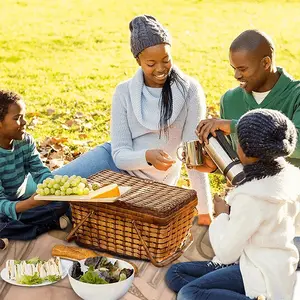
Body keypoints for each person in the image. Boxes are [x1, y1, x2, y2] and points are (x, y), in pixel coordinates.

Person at [52, 15, 213, 225]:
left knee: (88, 214)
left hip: (148, 185)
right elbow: (119, 155)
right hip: (113, 163)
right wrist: (146, 156)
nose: (161, 68)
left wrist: (204, 211)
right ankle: (12, 213)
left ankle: (60, 218)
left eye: (166, 60)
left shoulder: (190, 91)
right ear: (138, 60)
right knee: (49, 188)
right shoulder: (124, 92)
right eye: (151, 63)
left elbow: (193, 157)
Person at [165, 109, 300, 300]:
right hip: (272, 265)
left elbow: (226, 253)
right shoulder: (291, 178)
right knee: (175, 274)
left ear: (244, 151)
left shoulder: (251, 197)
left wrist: (222, 215)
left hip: (259, 274)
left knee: (189, 293)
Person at [0, 90, 70, 241]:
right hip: (5, 208)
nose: (24, 122)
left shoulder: (25, 141)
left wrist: (53, 189)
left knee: (64, 203)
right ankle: (43, 226)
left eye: (23, 116)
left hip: (21, 202)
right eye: (17, 118)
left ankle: (22, 229)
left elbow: (40, 171)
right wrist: (29, 204)